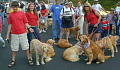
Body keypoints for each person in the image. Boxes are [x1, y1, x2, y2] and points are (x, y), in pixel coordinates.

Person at [6, 1, 34, 67]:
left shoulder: (22, 13)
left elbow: (25, 22)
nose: (15, 8)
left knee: (26, 47)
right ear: (12, 7)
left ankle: (29, 58)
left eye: (16, 7)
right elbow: (9, 25)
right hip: (14, 34)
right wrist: (7, 35)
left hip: (23, 33)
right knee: (14, 48)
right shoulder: (10, 15)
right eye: (13, 7)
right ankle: (13, 60)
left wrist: (29, 28)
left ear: (18, 7)